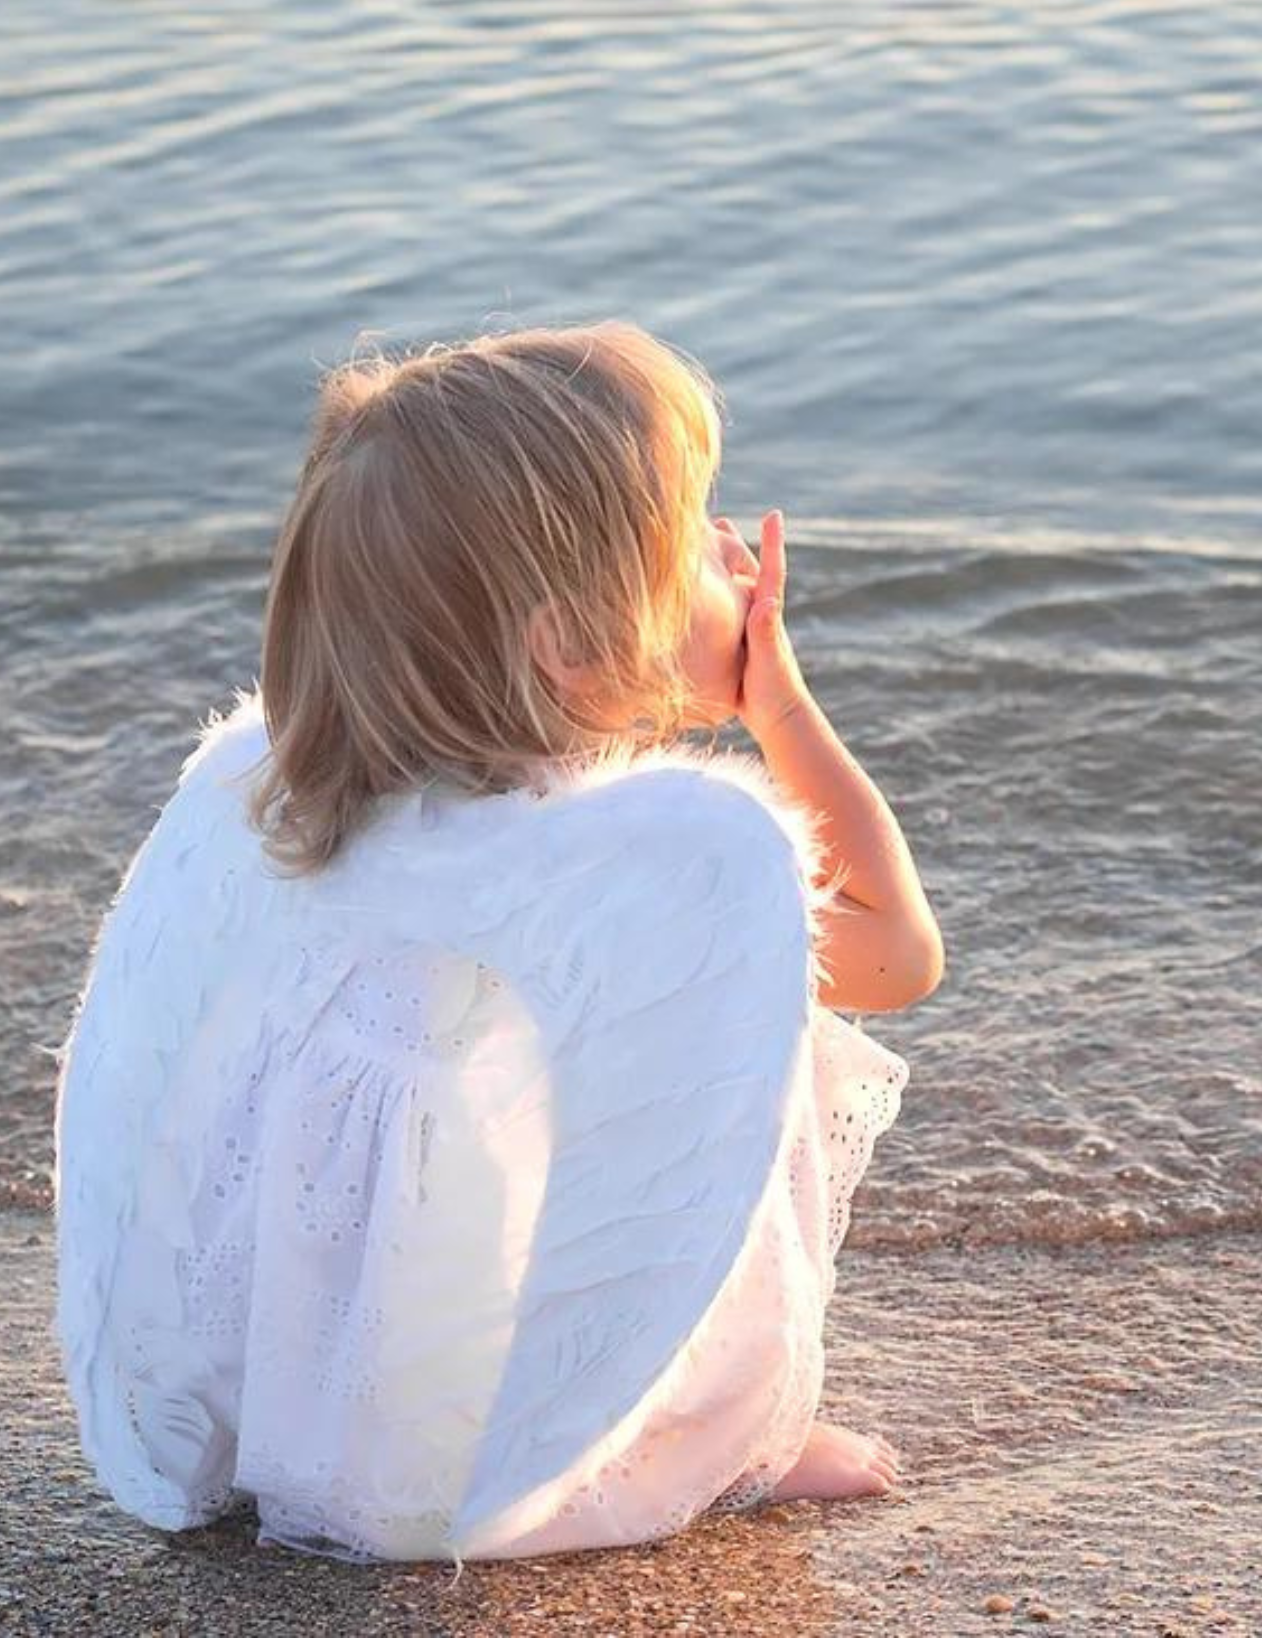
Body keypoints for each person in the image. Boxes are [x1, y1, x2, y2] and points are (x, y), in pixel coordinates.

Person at [52, 321, 944, 1564]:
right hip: (482, 1420)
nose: (729, 555)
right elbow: (899, 958)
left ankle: (305, 1433)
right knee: (747, 1014)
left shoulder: (284, 801)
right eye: (689, 536)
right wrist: (777, 702)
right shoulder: (653, 862)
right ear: (569, 645)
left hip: (298, 1386)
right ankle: (710, 1443)